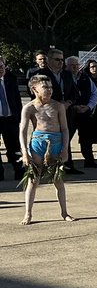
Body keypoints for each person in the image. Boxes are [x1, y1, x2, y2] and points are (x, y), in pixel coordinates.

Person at [18, 75, 74, 225]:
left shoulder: (58, 106)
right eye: (45, 87)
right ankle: (28, 213)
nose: (49, 90)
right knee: (33, 180)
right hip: (37, 142)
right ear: (34, 89)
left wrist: (65, 149)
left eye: (50, 87)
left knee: (58, 180)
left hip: (55, 142)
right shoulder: (29, 107)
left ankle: (64, 212)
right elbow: (22, 131)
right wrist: (24, 152)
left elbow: (65, 129)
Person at [0, 56, 26, 185]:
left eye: (1, 66)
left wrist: (20, 117)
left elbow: (17, 99)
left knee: (14, 147)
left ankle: (20, 172)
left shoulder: (10, 79)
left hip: (10, 119)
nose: (0, 69)